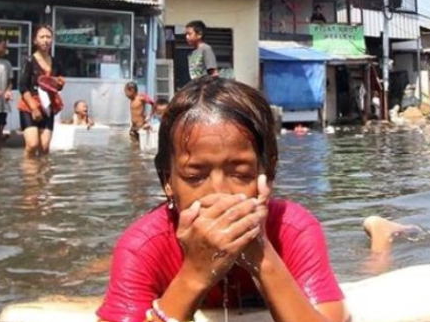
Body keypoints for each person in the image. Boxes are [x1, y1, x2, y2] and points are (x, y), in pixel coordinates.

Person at [99, 77, 354, 322]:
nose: (218, 193)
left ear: (268, 173)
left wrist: (262, 254)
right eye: (194, 176)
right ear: (168, 181)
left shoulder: (292, 231)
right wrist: (194, 274)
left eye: (240, 174)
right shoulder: (142, 247)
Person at [18, 25, 65, 158]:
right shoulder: (29, 61)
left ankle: (42, 171)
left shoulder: (56, 62)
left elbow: (57, 85)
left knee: (44, 147)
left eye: (48, 37)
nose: (45, 40)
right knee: (32, 145)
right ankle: (28, 170)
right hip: (29, 106)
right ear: (35, 41)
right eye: (42, 37)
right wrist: (34, 108)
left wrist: (60, 84)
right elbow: (23, 87)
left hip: (48, 106)